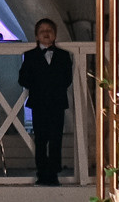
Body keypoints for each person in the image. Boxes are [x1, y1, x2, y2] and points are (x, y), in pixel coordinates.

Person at [17, 19, 76, 187]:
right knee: (41, 139)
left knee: (56, 138)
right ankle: (42, 171)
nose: (46, 33)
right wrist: (39, 83)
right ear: (36, 35)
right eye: (42, 30)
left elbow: (67, 78)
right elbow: (23, 79)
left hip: (57, 102)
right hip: (39, 102)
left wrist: (53, 84)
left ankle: (54, 171)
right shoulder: (30, 55)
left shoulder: (63, 55)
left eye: (49, 29)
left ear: (55, 34)